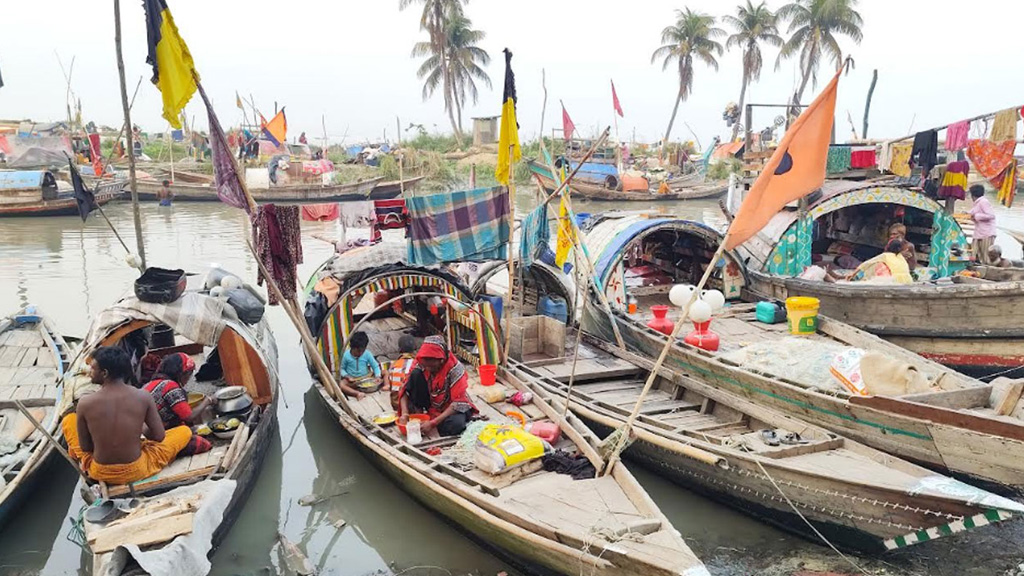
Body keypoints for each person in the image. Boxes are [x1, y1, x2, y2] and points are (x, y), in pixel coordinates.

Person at [61, 347, 192, 485]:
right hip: (136, 470)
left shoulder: (84, 403)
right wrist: (139, 432)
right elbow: (159, 437)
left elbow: (86, 448)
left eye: (93, 368)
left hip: (100, 472)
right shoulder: (143, 396)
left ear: (104, 373)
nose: (89, 372)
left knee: (68, 419)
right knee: (184, 431)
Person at [398, 335, 476, 436]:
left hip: (450, 406)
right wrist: (404, 413)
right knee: (415, 374)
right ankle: (420, 414)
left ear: (441, 360)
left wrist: (433, 423)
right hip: (430, 402)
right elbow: (404, 388)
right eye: (426, 366)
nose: (428, 369)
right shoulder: (420, 363)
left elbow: (458, 402)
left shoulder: (455, 368)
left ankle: (432, 422)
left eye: (431, 366)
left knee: (456, 424)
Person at [143, 353, 214, 455]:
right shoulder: (170, 386)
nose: (188, 379)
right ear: (181, 374)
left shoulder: (151, 383)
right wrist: (208, 400)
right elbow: (189, 417)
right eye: (188, 375)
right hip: (151, 437)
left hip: (147, 433)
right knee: (201, 443)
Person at [846, 239, 914, 284]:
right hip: (908, 280)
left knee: (879, 265)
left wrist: (853, 274)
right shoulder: (901, 256)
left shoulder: (885, 255)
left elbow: (866, 264)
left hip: (896, 280)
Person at [387, 335, 419, 410]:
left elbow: (392, 388)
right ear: (415, 348)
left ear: (399, 349)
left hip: (397, 405)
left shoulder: (393, 366)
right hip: (415, 405)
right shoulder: (417, 364)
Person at [969, 185, 996, 265]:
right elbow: (972, 212)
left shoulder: (984, 202)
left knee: (985, 256)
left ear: (972, 195)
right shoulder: (977, 203)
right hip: (978, 233)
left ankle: (987, 269)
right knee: (973, 253)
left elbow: (991, 215)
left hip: (986, 233)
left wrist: (977, 216)